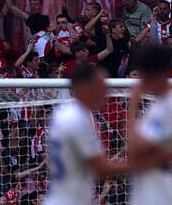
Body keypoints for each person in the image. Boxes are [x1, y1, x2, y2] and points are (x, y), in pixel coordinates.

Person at [45, 64, 131, 205]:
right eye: (100, 86)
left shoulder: (69, 113)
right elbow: (100, 168)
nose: (105, 91)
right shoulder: (77, 119)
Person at [127, 42, 172, 205]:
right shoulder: (158, 105)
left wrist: (133, 102)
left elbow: (136, 146)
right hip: (145, 185)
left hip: (158, 190)